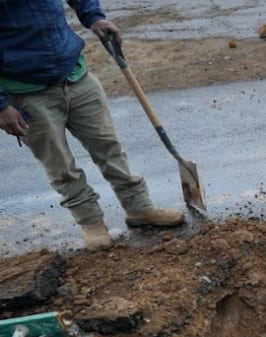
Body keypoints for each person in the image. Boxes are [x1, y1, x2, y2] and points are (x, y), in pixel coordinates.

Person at [0, 0, 185, 251]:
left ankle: (139, 207)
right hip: (26, 91)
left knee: (108, 145)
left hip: (74, 74)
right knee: (60, 165)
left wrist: (94, 17)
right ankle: (91, 222)